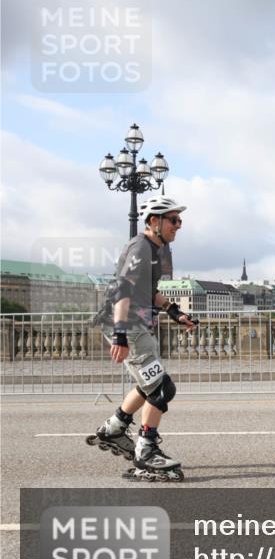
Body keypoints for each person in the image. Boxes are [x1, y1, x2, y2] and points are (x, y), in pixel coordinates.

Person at [87, 196, 197, 480]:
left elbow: (147, 292)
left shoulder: (156, 250)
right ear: (153, 221)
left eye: (179, 220)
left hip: (136, 325)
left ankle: (114, 428)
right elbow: (123, 289)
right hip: (129, 326)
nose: (178, 226)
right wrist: (121, 334)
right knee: (161, 389)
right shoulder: (140, 246)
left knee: (146, 384)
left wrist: (174, 312)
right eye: (173, 220)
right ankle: (146, 453)